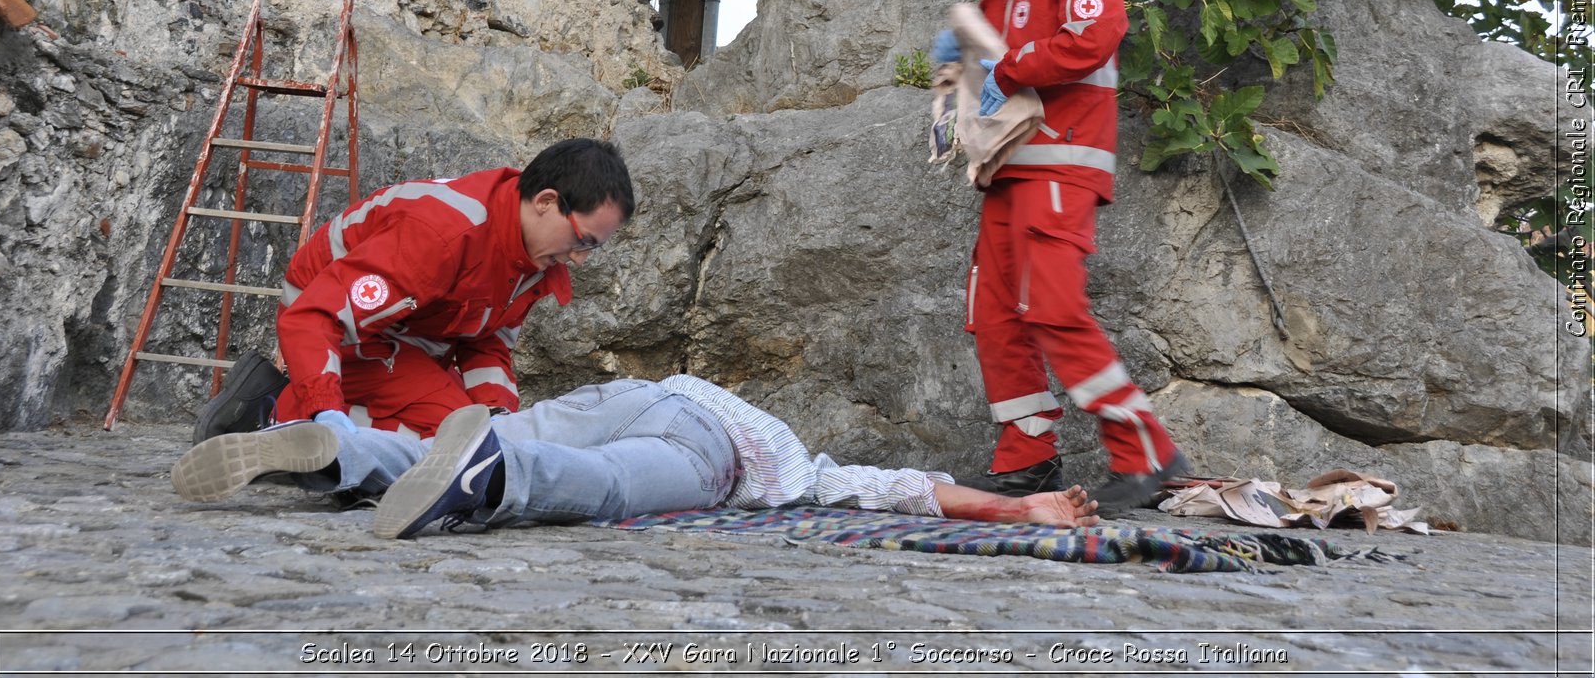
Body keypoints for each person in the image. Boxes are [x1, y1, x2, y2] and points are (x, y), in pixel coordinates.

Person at [929, 0, 1186, 515]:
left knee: (1053, 310)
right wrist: (958, 69)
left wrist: (1005, 66)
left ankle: (1148, 453)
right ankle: (1026, 458)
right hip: (1009, 170)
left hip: (1060, 165)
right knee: (993, 317)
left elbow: (1094, 36)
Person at [171, 376, 1101, 537]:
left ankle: (340, 450)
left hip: (632, 392)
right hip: (695, 444)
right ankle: (488, 480)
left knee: (494, 430)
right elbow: (910, 491)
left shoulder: (746, 412)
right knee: (614, 489)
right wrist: (1021, 506)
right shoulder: (799, 469)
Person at [192, 138, 633, 443]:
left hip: (407, 331)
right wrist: (323, 407)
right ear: (546, 202)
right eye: (583, 240)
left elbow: (488, 341)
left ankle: (314, 419)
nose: (580, 258)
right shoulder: (441, 236)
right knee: (451, 433)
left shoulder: (530, 256)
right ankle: (277, 415)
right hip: (341, 322)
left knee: (478, 431)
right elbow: (316, 315)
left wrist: (499, 414)